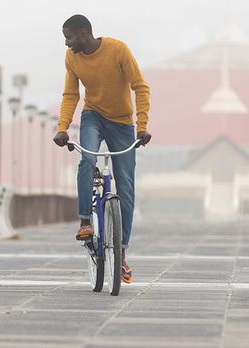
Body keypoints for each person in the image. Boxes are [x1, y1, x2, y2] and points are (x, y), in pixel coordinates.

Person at [52, 15, 151, 284]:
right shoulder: (72, 58)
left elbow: (140, 87)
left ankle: (121, 252)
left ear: (84, 34)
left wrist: (142, 126)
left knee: (126, 186)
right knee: (87, 160)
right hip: (93, 116)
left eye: (69, 37)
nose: (66, 43)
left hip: (122, 123)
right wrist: (62, 128)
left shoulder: (118, 50)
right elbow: (71, 94)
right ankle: (86, 221)